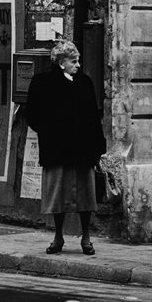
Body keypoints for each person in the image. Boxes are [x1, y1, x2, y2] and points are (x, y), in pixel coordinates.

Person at [26, 40, 106, 255]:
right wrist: (49, 131)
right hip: (57, 149)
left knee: (85, 196)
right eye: (73, 61)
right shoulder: (42, 83)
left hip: (83, 150)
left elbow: (93, 116)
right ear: (61, 63)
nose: (78, 65)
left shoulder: (85, 83)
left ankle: (86, 238)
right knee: (58, 195)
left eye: (78, 61)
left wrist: (98, 147)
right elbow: (32, 114)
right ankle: (58, 236)